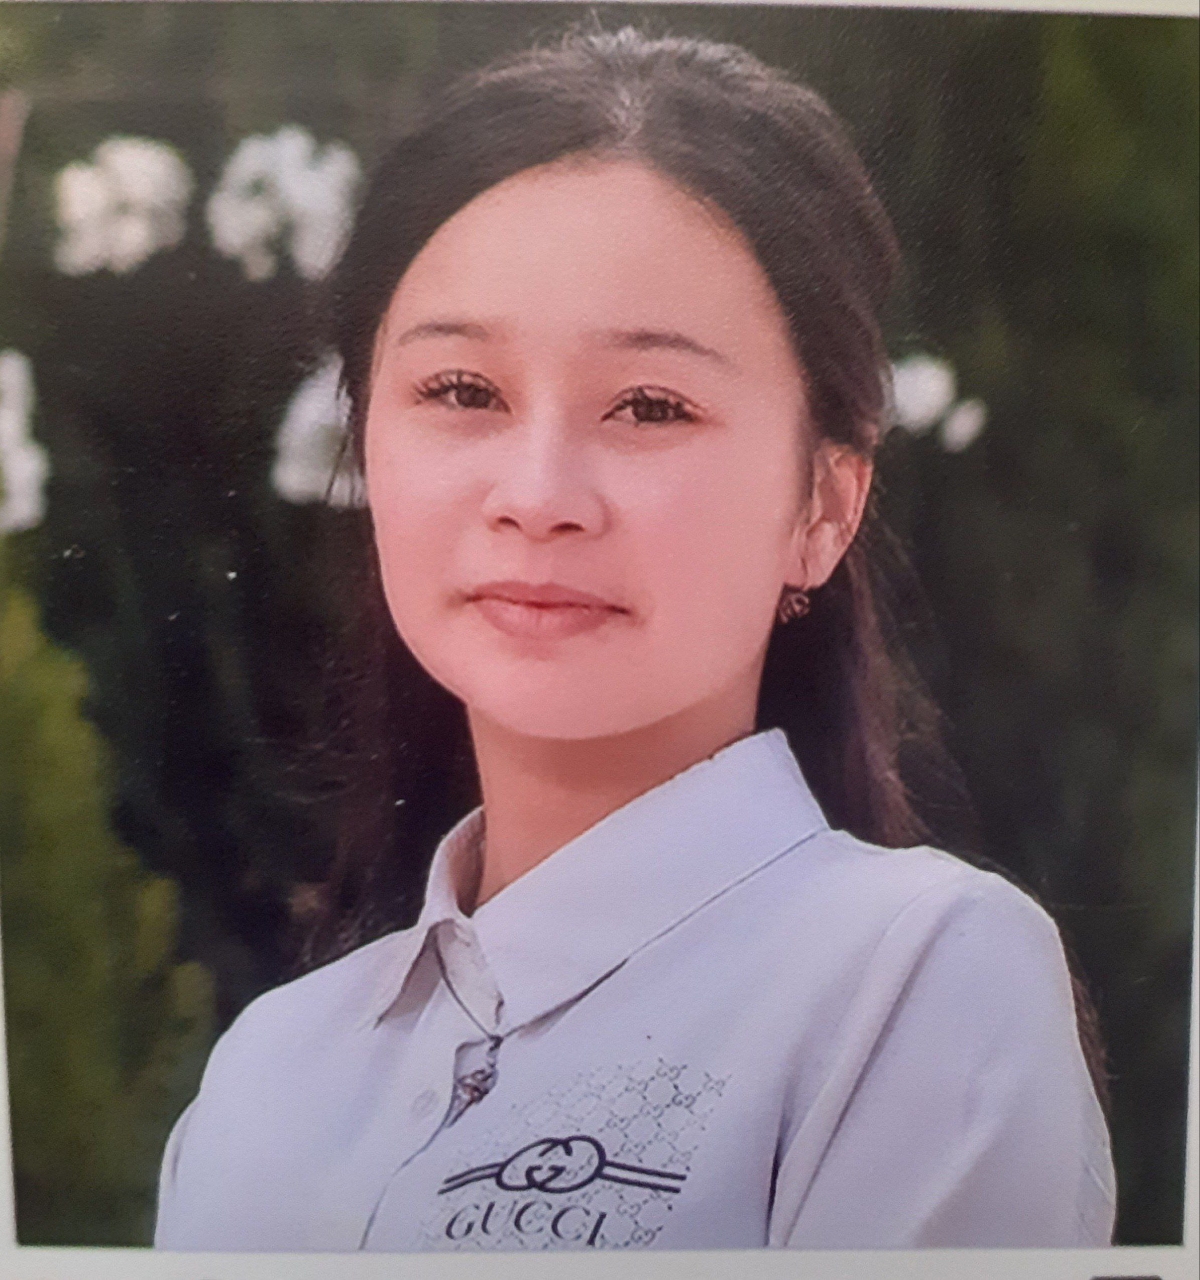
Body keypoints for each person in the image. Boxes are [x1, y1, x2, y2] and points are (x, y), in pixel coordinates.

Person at [153, 27, 1115, 1252]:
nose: (537, 493)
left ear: (825, 504)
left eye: (651, 405)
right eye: (462, 391)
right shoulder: (265, 1075)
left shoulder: (917, 976)